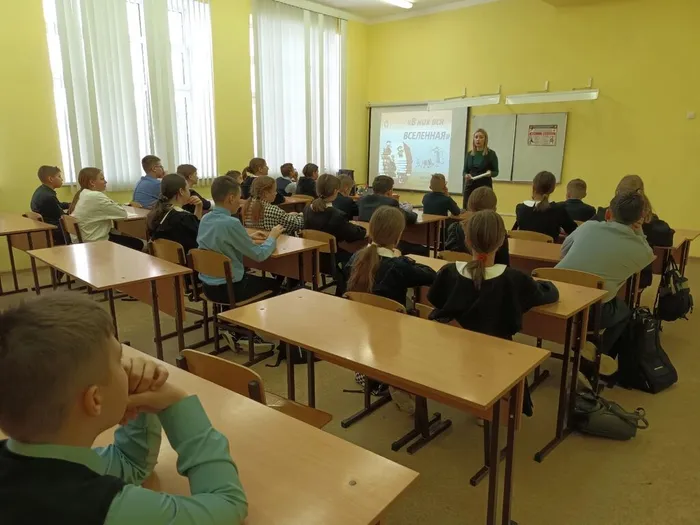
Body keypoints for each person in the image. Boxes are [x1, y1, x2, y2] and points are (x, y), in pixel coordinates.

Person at [0, 293, 248, 524]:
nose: (128, 367)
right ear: (95, 400)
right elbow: (228, 503)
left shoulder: (33, 461)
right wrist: (177, 404)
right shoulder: (106, 508)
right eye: (119, 360)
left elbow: (130, 464)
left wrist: (138, 396)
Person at [427, 211, 559, 415]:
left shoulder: (448, 272)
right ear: (501, 242)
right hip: (498, 356)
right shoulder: (515, 280)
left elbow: (435, 301)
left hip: (456, 350)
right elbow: (549, 294)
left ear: (467, 240)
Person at [557, 191, 655, 360]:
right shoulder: (642, 251)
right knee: (624, 311)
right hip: (592, 311)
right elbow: (647, 255)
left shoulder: (588, 227)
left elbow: (563, 251)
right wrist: (639, 231)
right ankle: (596, 357)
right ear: (640, 219)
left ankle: (586, 348)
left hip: (558, 296)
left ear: (608, 213)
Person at [197, 176, 285, 304]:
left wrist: (247, 237)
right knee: (277, 285)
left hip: (207, 286)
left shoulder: (205, 219)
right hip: (230, 289)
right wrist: (272, 236)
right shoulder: (231, 223)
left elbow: (219, 241)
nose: (240, 202)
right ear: (231, 198)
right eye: (239, 198)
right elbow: (259, 255)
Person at [347, 206, 436, 307]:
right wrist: (400, 258)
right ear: (398, 236)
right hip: (392, 315)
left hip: (359, 312)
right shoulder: (399, 266)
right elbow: (431, 275)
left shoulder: (355, 257)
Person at [302, 174, 367, 295]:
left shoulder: (307, 209)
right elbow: (354, 235)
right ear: (336, 191)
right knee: (358, 255)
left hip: (313, 256)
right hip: (331, 259)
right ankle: (345, 291)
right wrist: (362, 229)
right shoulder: (336, 215)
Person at [69, 168, 143, 250]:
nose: (105, 181)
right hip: (96, 244)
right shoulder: (96, 196)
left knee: (121, 234)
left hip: (85, 239)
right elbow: (123, 214)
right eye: (102, 179)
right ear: (92, 182)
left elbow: (111, 207)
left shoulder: (84, 193)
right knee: (138, 243)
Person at [445, 187, 510, 265]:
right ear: (494, 209)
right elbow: (503, 264)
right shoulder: (498, 231)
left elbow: (448, 257)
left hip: (459, 271)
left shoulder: (454, 229)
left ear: (469, 206)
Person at [514, 171, 577, 241]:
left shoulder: (520, 208)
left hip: (523, 247)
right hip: (549, 248)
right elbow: (574, 231)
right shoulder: (559, 210)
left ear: (533, 186)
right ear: (553, 189)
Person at [147, 173, 202, 253]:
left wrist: (198, 207)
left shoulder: (157, 213)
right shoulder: (184, 218)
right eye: (188, 189)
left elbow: (194, 226)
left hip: (164, 258)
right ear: (181, 191)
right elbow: (198, 237)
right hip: (186, 259)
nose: (189, 192)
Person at [30, 165, 69, 245]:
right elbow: (62, 217)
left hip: (46, 228)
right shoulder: (48, 197)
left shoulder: (41, 191)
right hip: (56, 233)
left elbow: (57, 205)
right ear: (51, 179)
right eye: (59, 176)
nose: (62, 179)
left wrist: (70, 204)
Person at [463, 129, 499, 209]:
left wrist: (490, 173)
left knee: (484, 209)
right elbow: (464, 171)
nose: (478, 139)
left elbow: (496, 172)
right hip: (470, 186)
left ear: (485, 139)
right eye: (476, 137)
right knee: (468, 209)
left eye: (481, 137)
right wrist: (466, 175)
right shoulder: (469, 154)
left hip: (484, 187)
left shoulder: (491, 154)